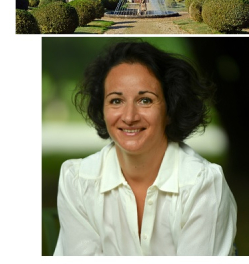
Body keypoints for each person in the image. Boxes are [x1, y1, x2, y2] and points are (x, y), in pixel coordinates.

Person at [54, 41, 237, 256]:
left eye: (145, 100)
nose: (130, 117)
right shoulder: (77, 181)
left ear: (170, 109)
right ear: (102, 109)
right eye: (116, 101)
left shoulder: (202, 184)